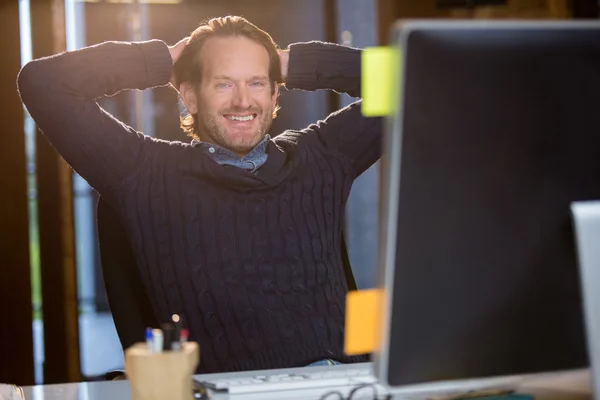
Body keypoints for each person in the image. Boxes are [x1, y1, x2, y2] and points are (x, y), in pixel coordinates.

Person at [17, 15, 382, 373]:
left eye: (257, 83)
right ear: (190, 96)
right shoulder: (142, 171)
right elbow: (44, 82)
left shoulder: (321, 154)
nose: (243, 101)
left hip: (350, 382)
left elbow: (421, 81)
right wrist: (161, 61)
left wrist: (292, 62)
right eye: (223, 84)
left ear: (275, 94)